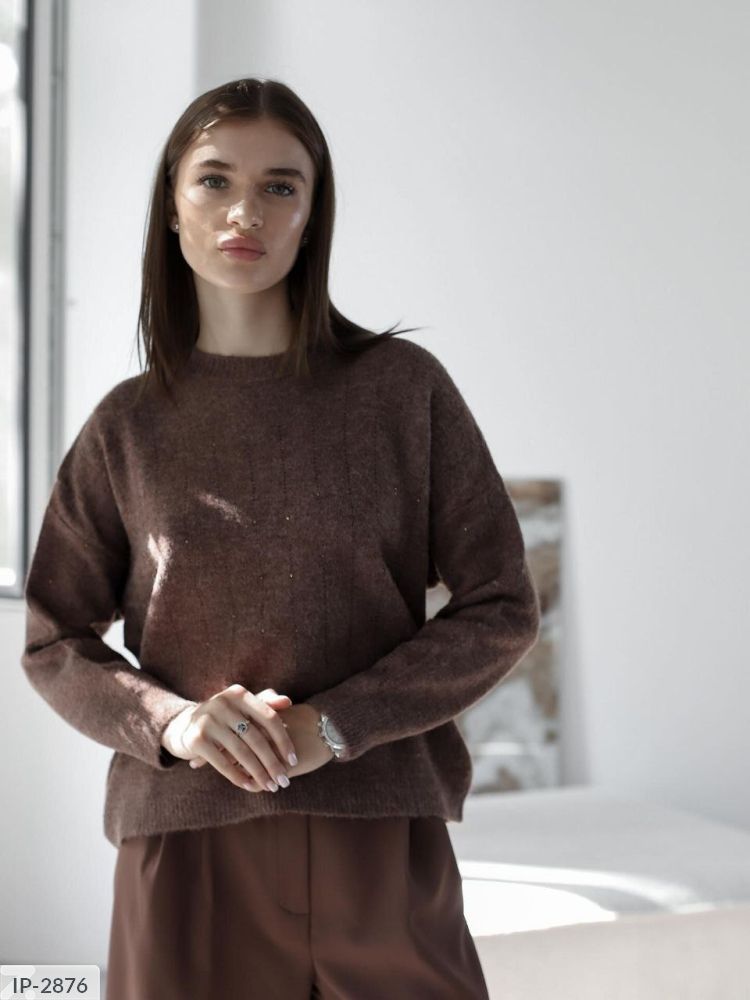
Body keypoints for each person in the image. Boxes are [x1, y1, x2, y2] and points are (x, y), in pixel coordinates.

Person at [21, 77, 541, 999]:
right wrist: (173, 722)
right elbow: (53, 639)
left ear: (312, 213)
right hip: (187, 848)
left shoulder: (402, 390)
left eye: (279, 186)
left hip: (379, 835)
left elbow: (501, 606)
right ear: (172, 205)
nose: (245, 212)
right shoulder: (126, 427)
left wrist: (333, 725)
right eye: (214, 180)